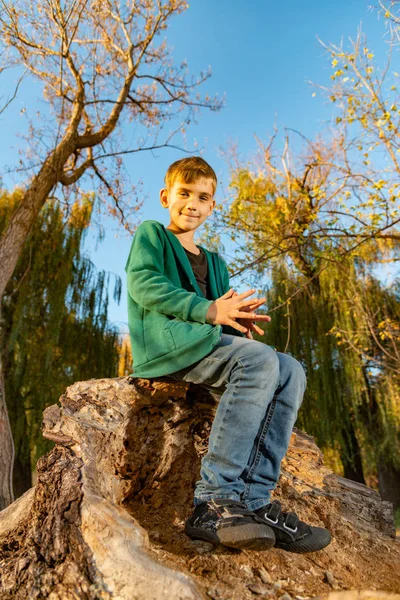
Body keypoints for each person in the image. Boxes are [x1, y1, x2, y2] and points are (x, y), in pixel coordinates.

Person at [125, 156, 331, 553]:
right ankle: (213, 501)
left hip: (202, 343)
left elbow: (219, 311)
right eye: (184, 194)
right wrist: (210, 311)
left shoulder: (216, 262)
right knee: (257, 360)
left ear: (212, 205)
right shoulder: (153, 235)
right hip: (166, 346)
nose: (192, 204)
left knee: (289, 369)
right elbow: (145, 285)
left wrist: (235, 323)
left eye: (203, 197)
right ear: (166, 196)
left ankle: (254, 502)